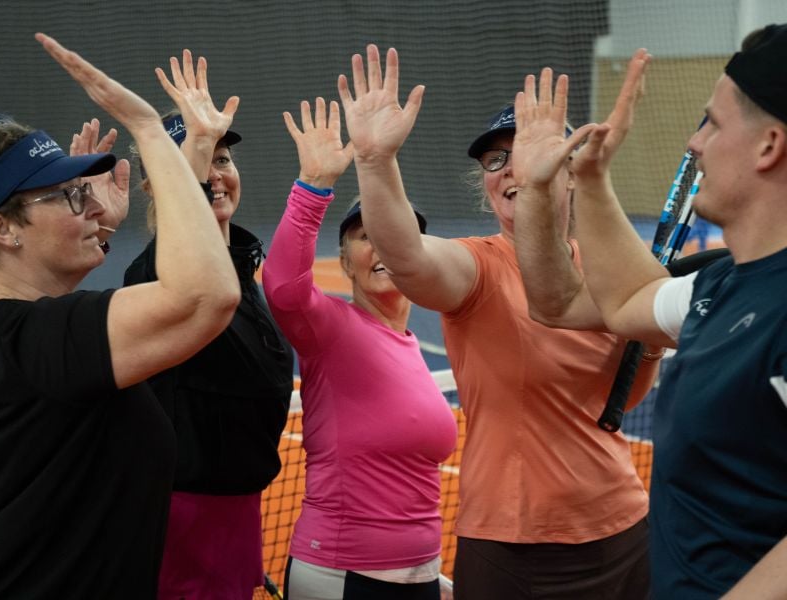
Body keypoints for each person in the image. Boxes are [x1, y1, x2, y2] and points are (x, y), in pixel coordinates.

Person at [336, 44, 659, 599]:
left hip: (624, 529)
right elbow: (407, 255)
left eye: (530, 149)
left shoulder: (604, 268)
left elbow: (618, 400)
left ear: (573, 172)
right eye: (494, 160)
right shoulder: (476, 266)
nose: (511, 166)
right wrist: (374, 162)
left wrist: (647, 345)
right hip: (516, 548)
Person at [512, 25, 787, 599]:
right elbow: (607, 301)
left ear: (769, 145)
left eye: (712, 121)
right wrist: (587, 178)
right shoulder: (718, 288)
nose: (694, 143)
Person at [0, 33, 240, 599]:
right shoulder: (29, 346)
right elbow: (204, 296)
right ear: (2, 228)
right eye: (71, 195)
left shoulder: (28, 339)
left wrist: (90, 226)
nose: (96, 205)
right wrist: (150, 132)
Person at [262, 97, 458, 600]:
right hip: (343, 576)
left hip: (419, 575)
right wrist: (314, 184)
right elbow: (283, 287)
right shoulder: (330, 328)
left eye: (392, 233)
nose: (382, 246)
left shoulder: (411, 346)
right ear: (345, 263)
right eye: (364, 236)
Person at [122, 50, 294, 600]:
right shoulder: (155, 274)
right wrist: (193, 151)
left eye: (224, 158)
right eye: (197, 162)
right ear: (157, 185)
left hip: (237, 514)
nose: (216, 174)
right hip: (182, 523)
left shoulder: (243, 270)